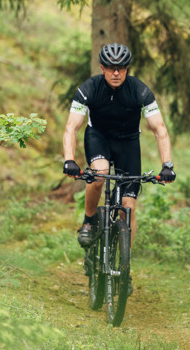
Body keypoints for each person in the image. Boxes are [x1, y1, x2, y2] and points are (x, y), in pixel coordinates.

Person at [63, 43, 176, 283]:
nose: (116, 73)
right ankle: (90, 221)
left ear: (127, 69)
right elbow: (71, 127)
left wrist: (168, 164)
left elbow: (160, 129)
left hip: (128, 143)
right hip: (98, 139)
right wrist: (69, 160)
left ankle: (124, 266)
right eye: (112, 68)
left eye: (121, 68)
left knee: (129, 206)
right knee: (100, 174)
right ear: (102, 68)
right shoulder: (89, 88)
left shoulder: (140, 90)